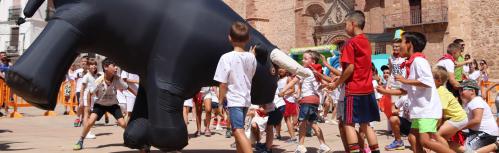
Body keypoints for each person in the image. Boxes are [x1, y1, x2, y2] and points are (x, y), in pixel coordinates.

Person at [376, 32, 454, 153]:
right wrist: (385, 91)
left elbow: (427, 82)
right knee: (412, 138)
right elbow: (404, 90)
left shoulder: (419, 61)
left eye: (401, 42)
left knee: (426, 141)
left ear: (409, 44)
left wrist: (404, 80)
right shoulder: (411, 64)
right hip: (419, 111)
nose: (398, 46)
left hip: (426, 110)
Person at [327, 11, 381, 153]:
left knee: (348, 123)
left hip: (354, 89)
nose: (345, 27)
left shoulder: (350, 43)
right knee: (365, 124)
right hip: (367, 89)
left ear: (353, 23)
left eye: (345, 24)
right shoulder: (366, 41)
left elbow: (350, 68)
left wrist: (336, 83)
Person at [73, 58, 136, 150]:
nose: (116, 68)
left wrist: (136, 95)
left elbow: (127, 87)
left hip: (113, 105)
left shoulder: (117, 79)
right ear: (106, 67)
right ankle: (80, 140)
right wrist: (89, 108)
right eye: (113, 66)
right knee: (90, 122)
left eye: (116, 66)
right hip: (100, 105)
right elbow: (90, 93)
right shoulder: (99, 80)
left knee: (123, 124)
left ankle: (134, 140)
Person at [213, 21, 257, 153]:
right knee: (240, 130)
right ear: (248, 38)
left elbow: (222, 83)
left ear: (230, 37)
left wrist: (220, 103)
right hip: (245, 99)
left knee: (237, 131)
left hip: (234, 99)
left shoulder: (226, 57)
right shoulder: (251, 57)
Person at [279, 50, 331, 153]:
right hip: (315, 101)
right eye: (303, 58)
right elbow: (323, 84)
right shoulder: (316, 72)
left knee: (302, 122)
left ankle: (301, 146)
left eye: (305, 58)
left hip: (307, 100)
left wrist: (283, 91)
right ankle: (323, 145)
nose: (303, 60)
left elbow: (294, 82)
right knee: (313, 123)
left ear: (313, 61)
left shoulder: (305, 71)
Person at [432, 66, 469, 152]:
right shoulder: (438, 90)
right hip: (459, 118)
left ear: (439, 81)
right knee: (443, 139)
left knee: (437, 135)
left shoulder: (441, 91)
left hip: (457, 118)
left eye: (431, 77)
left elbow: (440, 112)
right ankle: (467, 151)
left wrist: (435, 126)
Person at [460, 80, 498, 152]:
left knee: (468, 151)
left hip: (486, 133)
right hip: (477, 132)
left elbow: (477, 120)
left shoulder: (476, 101)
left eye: (463, 90)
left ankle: (495, 145)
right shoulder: (470, 102)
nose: (460, 92)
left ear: (472, 91)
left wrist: (460, 127)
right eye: (460, 90)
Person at [256, 67, 287, 153]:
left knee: (269, 127)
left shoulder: (265, 83)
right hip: (278, 106)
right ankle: (267, 145)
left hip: (277, 106)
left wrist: (263, 107)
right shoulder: (269, 81)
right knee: (269, 127)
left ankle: (268, 148)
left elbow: (265, 97)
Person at [79, 58, 99, 139]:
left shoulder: (95, 76)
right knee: (86, 115)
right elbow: (82, 88)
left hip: (93, 98)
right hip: (86, 97)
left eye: (95, 64)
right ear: (88, 66)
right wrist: (81, 99)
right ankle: (86, 132)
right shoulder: (86, 76)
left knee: (90, 114)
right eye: (91, 64)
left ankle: (87, 131)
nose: (93, 66)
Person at [74, 56, 89, 127]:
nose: (84, 63)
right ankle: (77, 118)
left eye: (85, 61)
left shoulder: (89, 71)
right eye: (82, 61)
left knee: (85, 106)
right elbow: (74, 81)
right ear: (80, 62)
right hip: (79, 90)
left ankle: (83, 119)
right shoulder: (77, 71)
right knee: (80, 105)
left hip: (87, 91)